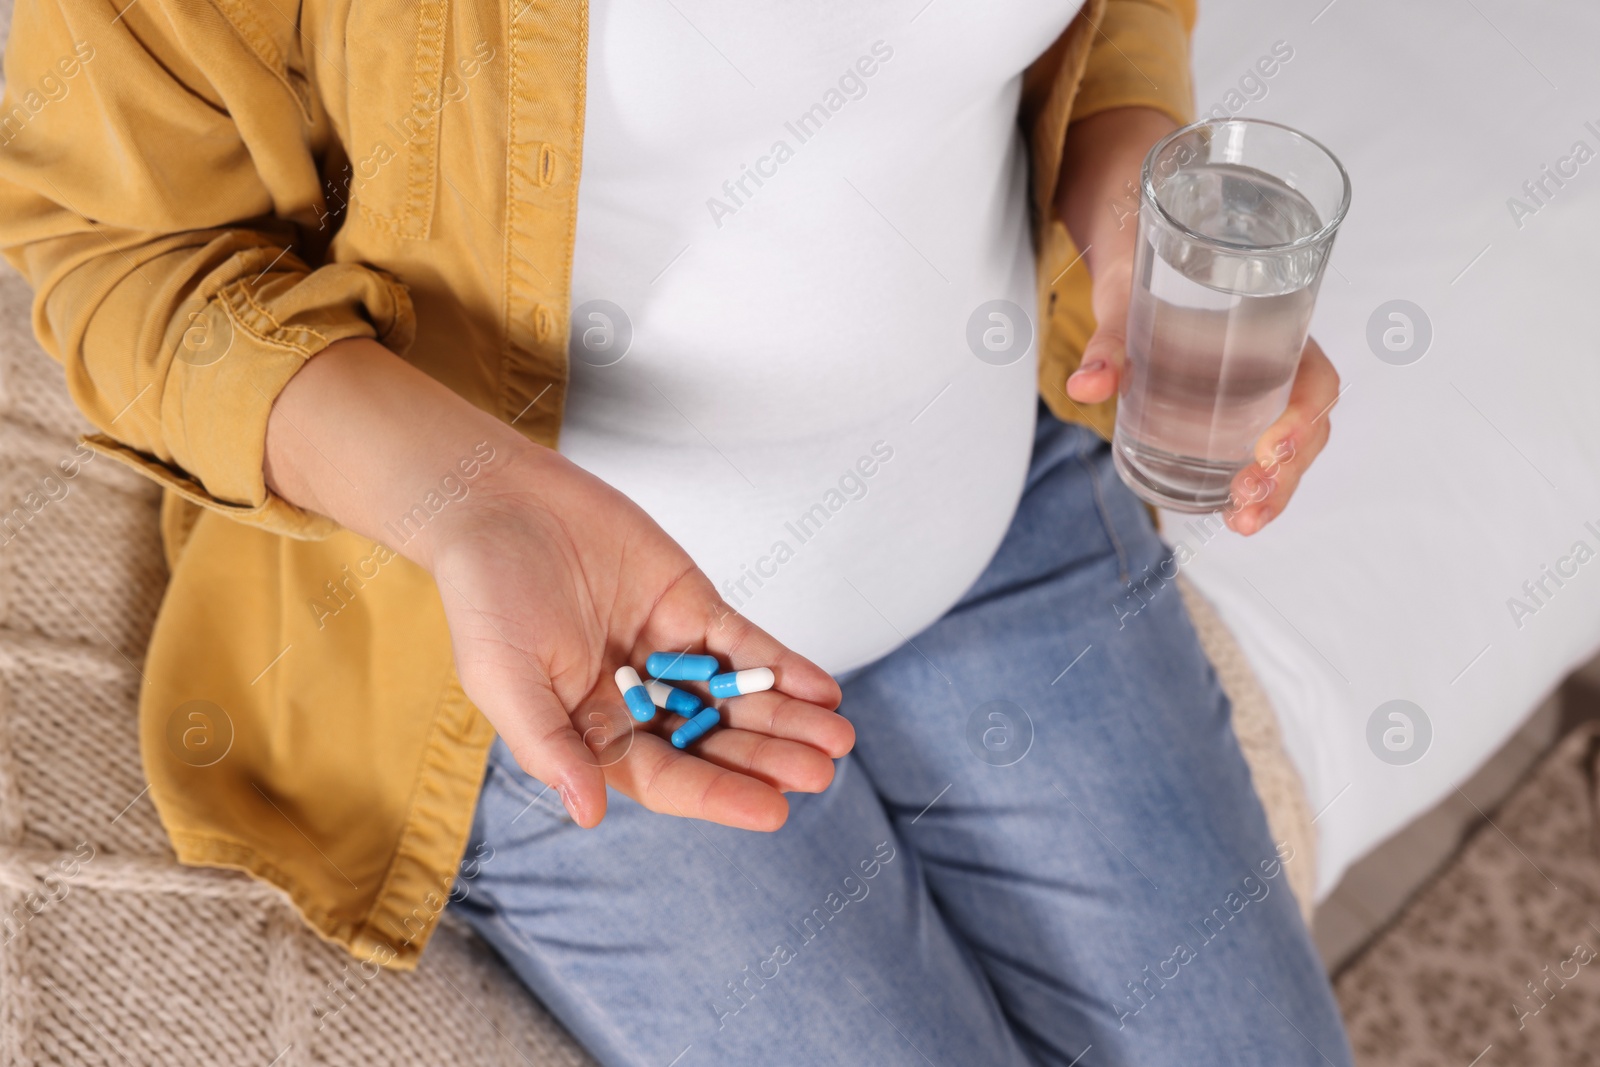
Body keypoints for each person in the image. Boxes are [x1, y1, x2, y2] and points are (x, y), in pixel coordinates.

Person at [0, 0, 1350, 1062]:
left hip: (996, 508)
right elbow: (125, 257)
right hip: (575, 657)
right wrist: (470, 502)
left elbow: (1102, 19)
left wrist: (1127, 217)